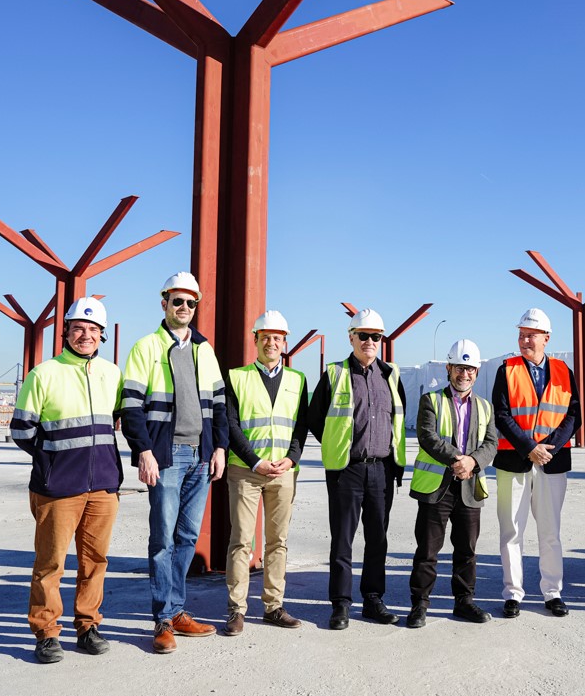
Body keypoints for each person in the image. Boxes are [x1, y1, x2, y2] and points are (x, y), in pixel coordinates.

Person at [121, 272, 228, 653]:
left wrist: (219, 449)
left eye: (190, 303)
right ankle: (163, 619)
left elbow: (219, 406)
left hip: (200, 456)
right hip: (165, 456)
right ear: (164, 303)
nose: (184, 308)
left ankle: (178, 610)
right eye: (177, 301)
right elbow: (131, 406)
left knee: (185, 538)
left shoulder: (204, 350)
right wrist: (144, 451)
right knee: (162, 540)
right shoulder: (146, 347)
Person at [11, 298, 122, 664]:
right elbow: (22, 430)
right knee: (50, 564)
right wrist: (53, 462)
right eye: (78, 328)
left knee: (95, 561)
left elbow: (121, 419)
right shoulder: (43, 374)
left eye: (93, 330)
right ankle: (45, 633)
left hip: (103, 485)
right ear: (66, 332)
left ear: (101, 336)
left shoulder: (112, 374)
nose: (85, 335)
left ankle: (88, 626)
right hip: (57, 487)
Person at [309, 308, 407, 630]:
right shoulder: (335, 374)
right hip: (346, 470)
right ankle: (340, 604)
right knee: (343, 540)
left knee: (378, 539)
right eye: (363, 335)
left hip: (381, 469)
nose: (369, 341)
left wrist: (395, 464)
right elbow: (315, 418)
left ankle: (373, 599)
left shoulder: (391, 375)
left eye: (375, 336)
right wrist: (336, 447)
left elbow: (399, 421)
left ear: (381, 340)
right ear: (351, 337)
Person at [222, 311, 310, 635]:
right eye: (265, 337)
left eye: (277, 338)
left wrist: (292, 459)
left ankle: (273, 606)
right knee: (241, 541)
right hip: (246, 470)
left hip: (283, 473)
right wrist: (255, 460)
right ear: (255, 340)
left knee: (278, 542)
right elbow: (231, 424)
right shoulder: (237, 377)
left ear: (284, 342)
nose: (271, 343)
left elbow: (301, 425)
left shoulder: (298, 380)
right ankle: (236, 610)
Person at [492, 308, 580, 619]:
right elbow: (501, 415)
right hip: (514, 461)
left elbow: (573, 414)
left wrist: (548, 449)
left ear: (546, 338)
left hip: (552, 463)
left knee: (550, 531)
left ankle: (552, 592)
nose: (524, 340)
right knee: (511, 531)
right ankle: (513, 593)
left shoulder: (563, 371)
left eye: (531, 335)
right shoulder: (507, 370)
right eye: (521, 334)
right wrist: (530, 448)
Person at [406, 339, 498, 628]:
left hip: (470, 488)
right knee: (427, 551)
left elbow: (491, 443)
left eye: (470, 369)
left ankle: (464, 601)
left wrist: (472, 462)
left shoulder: (485, 407)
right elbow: (428, 437)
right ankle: (420, 604)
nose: (464, 374)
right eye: (459, 368)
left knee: (467, 550)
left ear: (477, 371)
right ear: (448, 368)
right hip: (437, 488)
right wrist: (458, 460)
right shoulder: (431, 400)